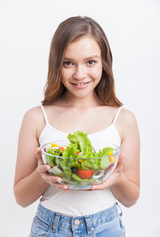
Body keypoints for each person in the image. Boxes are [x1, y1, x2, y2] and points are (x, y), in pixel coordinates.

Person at [14, 16, 140, 237]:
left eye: (90, 62)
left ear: (104, 63)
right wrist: (41, 174)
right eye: (68, 63)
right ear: (56, 65)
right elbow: (21, 198)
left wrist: (118, 177)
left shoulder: (123, 119)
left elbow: (131, 199)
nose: (79, 74)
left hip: (106, 227)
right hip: (51, 228)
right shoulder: (36, 118)